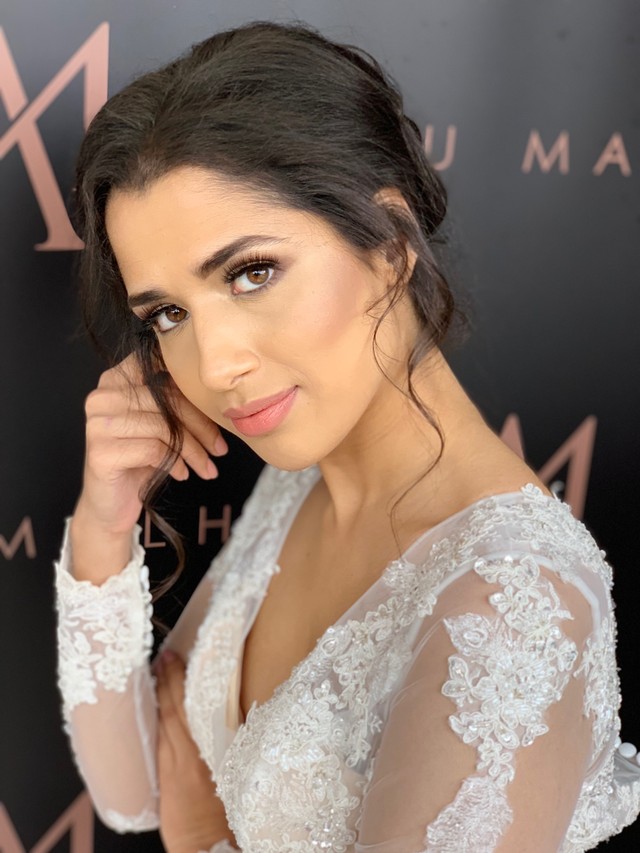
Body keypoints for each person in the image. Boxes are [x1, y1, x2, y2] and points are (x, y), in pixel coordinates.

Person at [54, 19, 640, 853]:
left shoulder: (509, 609)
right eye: (169, 314)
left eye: (251, 273)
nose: (215, 365)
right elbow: (135, 790)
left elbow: (177, 810)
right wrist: (104, 523)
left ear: (391, 246)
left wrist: (204, 838)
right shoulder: (296, 482)